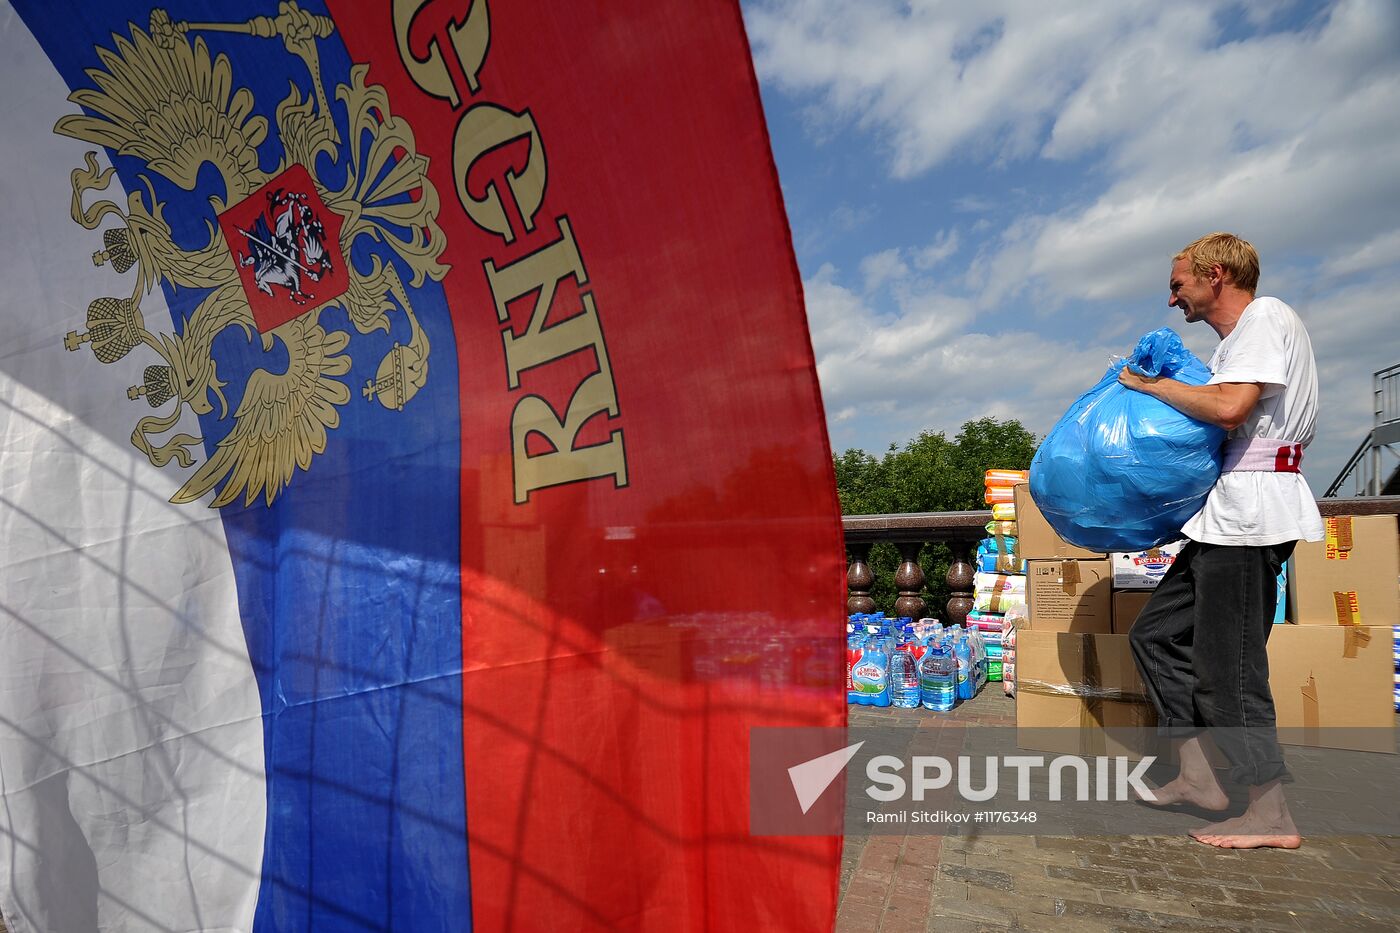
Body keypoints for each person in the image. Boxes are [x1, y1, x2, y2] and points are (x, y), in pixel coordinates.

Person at [1117, 232, 1322, 850]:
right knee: (1154, 636)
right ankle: (1199, 778)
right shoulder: (1240, 341)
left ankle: (1270, 814)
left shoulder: (1264, 316)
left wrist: (1148, 388)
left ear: (1215, 275)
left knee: (1229, 673)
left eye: (1178, 282)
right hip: (1225, 518)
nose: (1172, 295)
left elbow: (1231, 409)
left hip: (1252, 518)